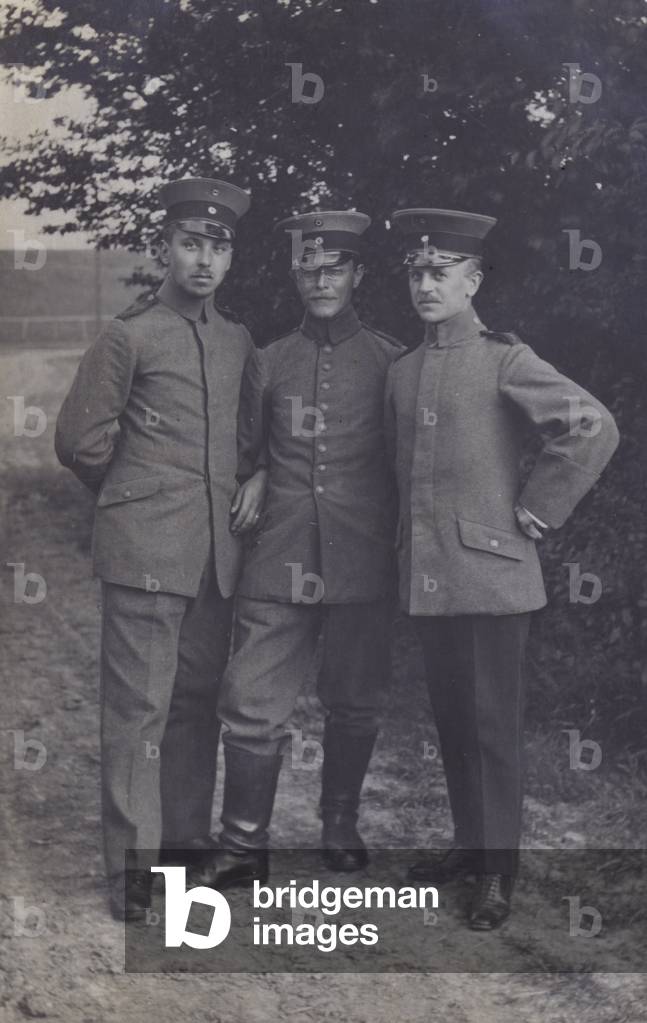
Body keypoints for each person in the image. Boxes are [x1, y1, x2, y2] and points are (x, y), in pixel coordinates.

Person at [385, 207, 619, 930]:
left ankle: (496, 872)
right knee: (453, 719)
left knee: (489, 726)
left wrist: (539, 508)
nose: (426, 285)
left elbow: (592, 426)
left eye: (441, 272)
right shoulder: (402, 370)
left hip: (491, 578)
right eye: (417, 272)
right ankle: (468, 845)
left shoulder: (504, 359)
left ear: (472, 279)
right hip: (429, 576)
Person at [54, 177, 252, 920]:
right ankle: (130, 867)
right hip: (145, 552)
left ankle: (183, 845)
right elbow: (79, 440)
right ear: (164, 247)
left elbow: (244, 438)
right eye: (191, 244)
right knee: (139, 707)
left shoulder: (234, 341)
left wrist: (253, 477)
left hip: (214, 557)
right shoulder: (129, 335)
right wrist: (133, 499)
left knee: (195, 704)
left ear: (231, 260)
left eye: (219, 247)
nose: (204, 260)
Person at [193, 210, 405, 891]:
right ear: (294, 274)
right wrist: (255, 472)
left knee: (355, 699)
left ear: (357, 273)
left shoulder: (391, 360)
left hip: (361, 557)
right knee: (251, 696)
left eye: (333, 267)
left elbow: (408, 464)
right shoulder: (268, 359)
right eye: (307, 268)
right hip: (278, 551)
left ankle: (338, 825)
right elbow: (245, 448)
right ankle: (243, 843)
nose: (320, 280)